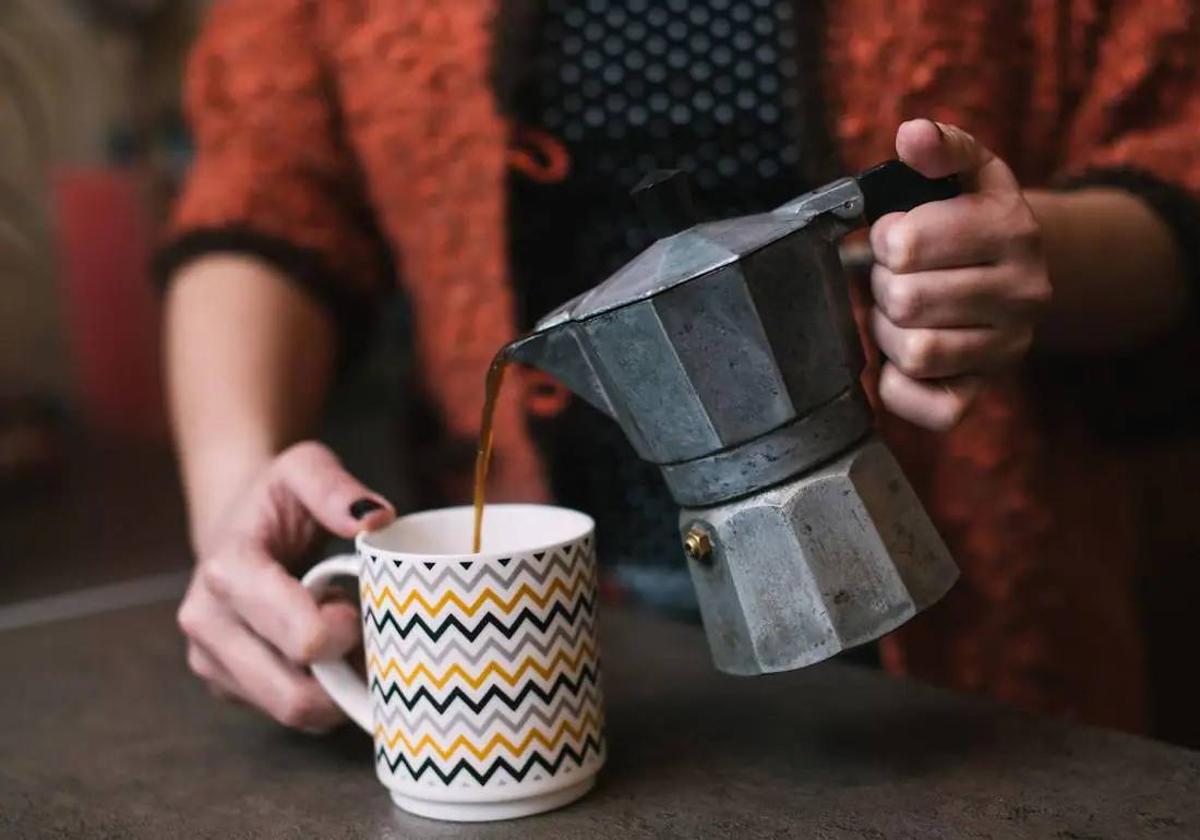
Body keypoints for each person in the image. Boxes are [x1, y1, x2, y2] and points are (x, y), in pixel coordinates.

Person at [158, 0, 1199, 735]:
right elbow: (266, 182)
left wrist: (1017, 252)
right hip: (549, 664)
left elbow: (1175, 150)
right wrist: (233, 486)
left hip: (996, 660)